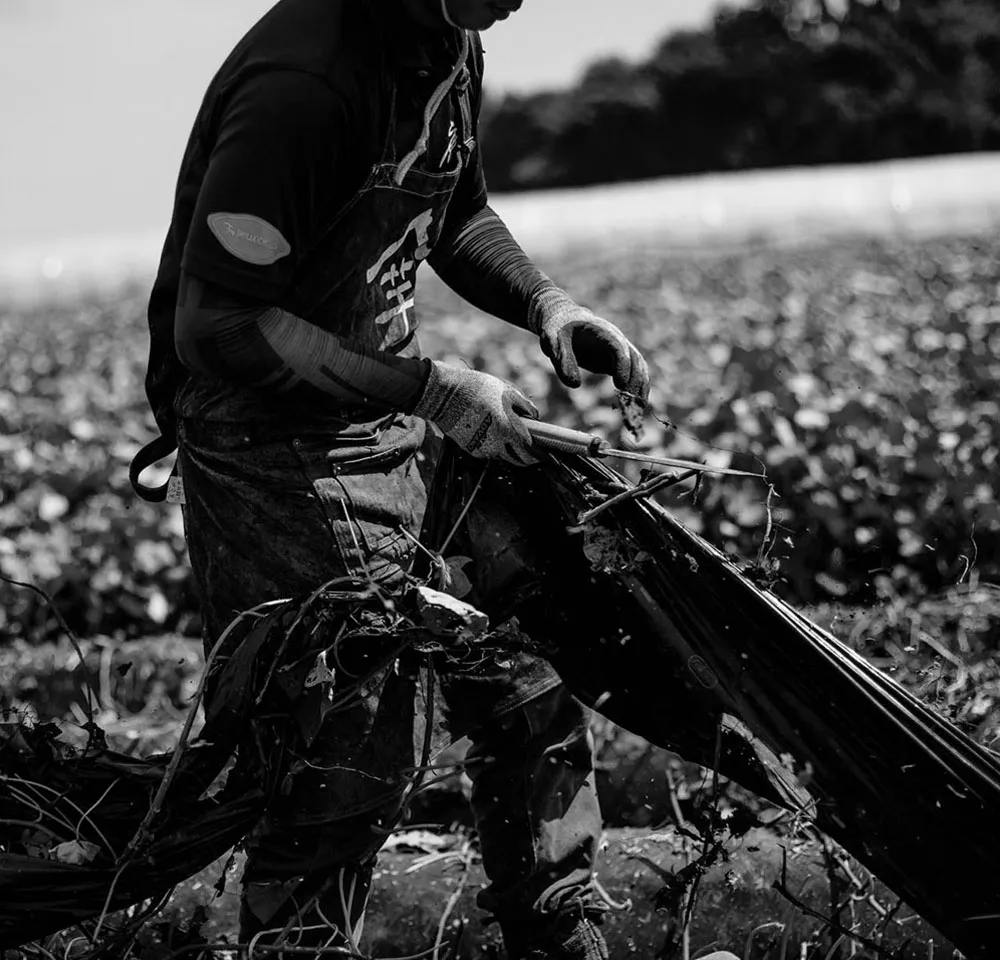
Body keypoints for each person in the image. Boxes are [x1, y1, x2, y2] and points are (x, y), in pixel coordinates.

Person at [129, 0, 696, 957]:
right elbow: (216, 327)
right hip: (274, 452)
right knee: (348, 750)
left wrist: (545, 305)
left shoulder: (447, 34)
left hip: (391, 414)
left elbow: (454, 207)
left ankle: (559, 932)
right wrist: (434, 389)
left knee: (528, 662)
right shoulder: (306, 86)